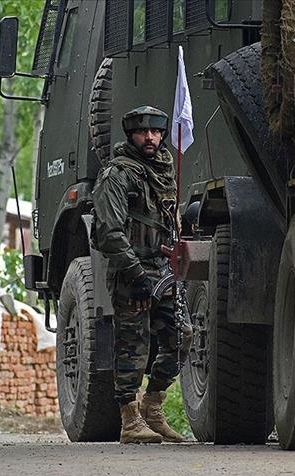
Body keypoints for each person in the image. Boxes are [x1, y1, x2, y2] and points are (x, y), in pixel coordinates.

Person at [92, 106, 185, 444]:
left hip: (162, 271)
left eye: (156, 132)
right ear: (130, 135)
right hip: (131, 271)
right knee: (133, 344)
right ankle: (130, 419)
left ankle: (153, 407)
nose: (150, 137)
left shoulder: (163, 171)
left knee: (182, 337)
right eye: (142, 132)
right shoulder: (117, 174)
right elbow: (109, 233)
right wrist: (135, 274)